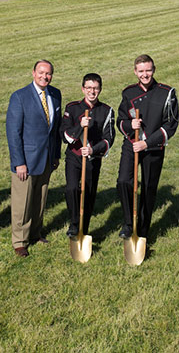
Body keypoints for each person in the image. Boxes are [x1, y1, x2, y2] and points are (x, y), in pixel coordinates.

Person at [116, 54, 178, 241]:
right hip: (131, 144)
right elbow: (120, 120)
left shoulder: (167, 93)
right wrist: (130, 126)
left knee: (149, 188)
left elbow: (171, 124)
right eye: (141, 71)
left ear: (154, 70)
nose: (145, 74)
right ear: (135, 72)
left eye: (148, 70)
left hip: (153, 147)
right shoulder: (128, 93)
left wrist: (147, 142)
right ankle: (129, 223)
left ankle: (142, 229)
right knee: (123, 181)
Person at [5, 60, 62, 257]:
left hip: (46, 158)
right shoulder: (20, 97)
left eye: (48, 74)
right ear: (33, 73)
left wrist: (56, 155)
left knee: (40, 199)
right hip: (26, 162)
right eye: (41, 72)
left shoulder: (55, 94)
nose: (44, 77)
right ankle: (20, 241)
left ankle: (35, 233)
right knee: (23, 203)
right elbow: (13, 133)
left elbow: (55, 130)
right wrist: (18, 162)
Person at [61, 73, 115, 239]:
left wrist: (93, 150)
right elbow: (65, 137)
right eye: (89, 88)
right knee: (72, 188)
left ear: (100, 89)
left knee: (89, 193)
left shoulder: (107, 111)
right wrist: (80, 126)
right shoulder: (72, 108)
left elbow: (109, 138)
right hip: (74, 156)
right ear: (83, 89)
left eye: (96, 88)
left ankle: (84, 229)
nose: (92, 91)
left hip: (92, 159)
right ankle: (74, 223)